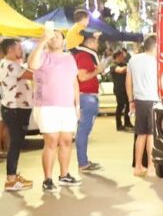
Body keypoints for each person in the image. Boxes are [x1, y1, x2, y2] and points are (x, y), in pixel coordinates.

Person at [28, 30, 81, 192]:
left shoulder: (69, 58)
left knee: (66, 141)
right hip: (46, 106)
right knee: (51, 141)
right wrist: (42, 42)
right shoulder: (42, 55)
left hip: (67, 107)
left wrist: (77, 105)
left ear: (64, 41)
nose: (55, 38)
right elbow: (32, 65)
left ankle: (64, 175)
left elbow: (74, 82)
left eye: (58, 36)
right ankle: (48, 179)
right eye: (52, 36)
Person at [1, 38, 34, 191]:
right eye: (19, 48)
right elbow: (31, 74)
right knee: (15, 143)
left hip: (15, 108)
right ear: (10, 50)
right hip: (14, 109)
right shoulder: (10, 65)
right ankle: (11, 180)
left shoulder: (11, 64)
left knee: (16, 142)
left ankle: (13, 176)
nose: (22, 50)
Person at [73, 31, 108, 172]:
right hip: (87, 97)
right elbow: (82, 77)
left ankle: (83, 161)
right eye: (96, 42)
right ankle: (83, 163)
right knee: (83, 130)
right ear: (89, 43)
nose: (97, 45)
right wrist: (97, 71)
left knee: (83, 130)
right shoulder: (84, 56)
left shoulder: (86, 56)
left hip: (86, 97)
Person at [126, 35, 159, 177]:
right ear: (156, 46)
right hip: (154, 100)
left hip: (139, 100)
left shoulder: (133, 60)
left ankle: (138, 166)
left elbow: (128, 82)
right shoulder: (157, 62)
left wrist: (130, 101)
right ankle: (151, 167)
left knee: (141, 134)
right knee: (151, 135)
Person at [110, 50, 133, 131]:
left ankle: (127, 122)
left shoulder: (124, 64)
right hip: (118, 89)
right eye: (122, 56)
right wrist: (131, 66)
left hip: (126, 89)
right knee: (120, 106)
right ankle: (119, 125)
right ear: (118, 56)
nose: (123, 57)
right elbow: (120, 70)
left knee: (128, 106)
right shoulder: (113, 65)